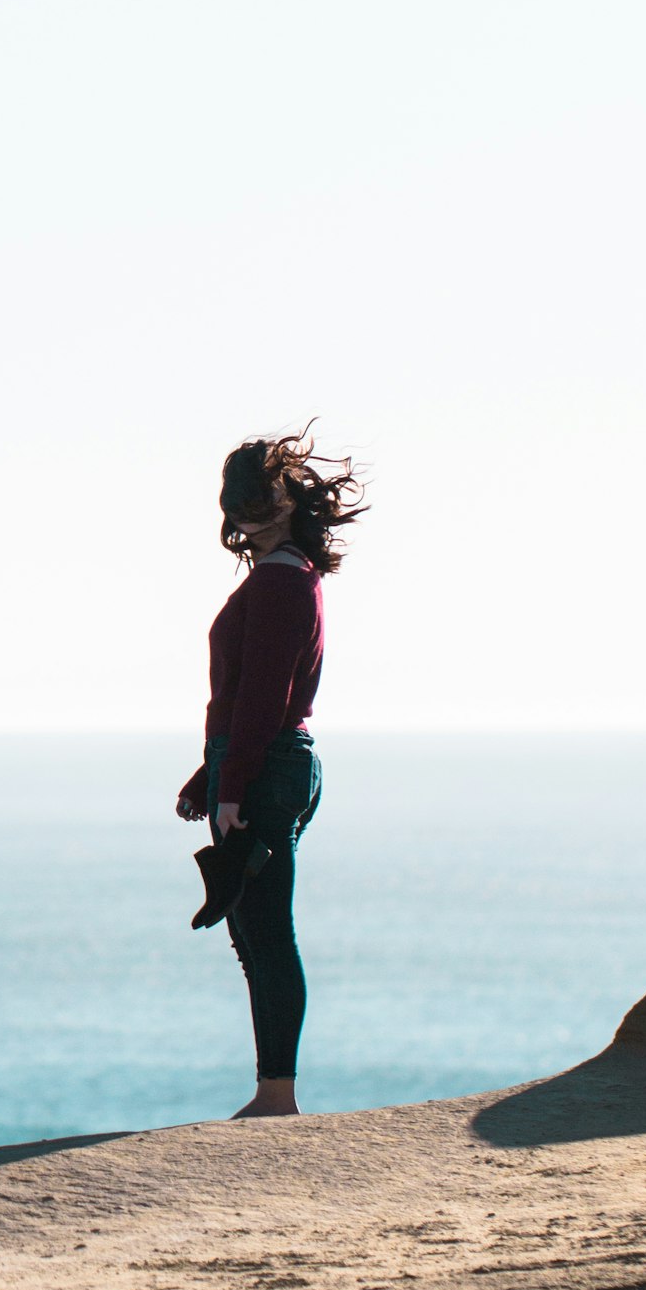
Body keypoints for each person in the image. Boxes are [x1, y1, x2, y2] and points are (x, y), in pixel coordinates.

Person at [175, 430, 367, 1119]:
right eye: (240, 496)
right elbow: (250, 698)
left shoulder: (284, 579)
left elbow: (264, 695)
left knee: (267, 932)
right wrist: (210, 775)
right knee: (254, 932)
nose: (250, 506)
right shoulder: (283, 575)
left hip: (268, 764)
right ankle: (271, 1091)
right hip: (262, 759)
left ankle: (277, 1096)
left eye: (263, 492)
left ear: (288, 497)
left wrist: (231, 785)